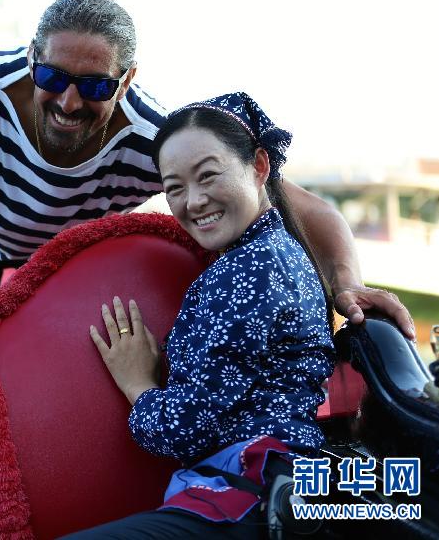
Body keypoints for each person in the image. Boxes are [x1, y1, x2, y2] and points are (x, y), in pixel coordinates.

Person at [0, 0, 415, 337]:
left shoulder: (155, 135)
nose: (67, 102)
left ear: (127, 81)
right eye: (52, 77)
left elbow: (306, 209)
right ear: (30, 60)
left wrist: (345, 285)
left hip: (58, 256)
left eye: (93, 87)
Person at [68, 92, 336, 538]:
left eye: (208, 175)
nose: (193, 201)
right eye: (174, 188)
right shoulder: (273, 253)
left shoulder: (250, 269)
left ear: (259, 166)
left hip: (247, 492)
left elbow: (183, 430)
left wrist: (138, 383)